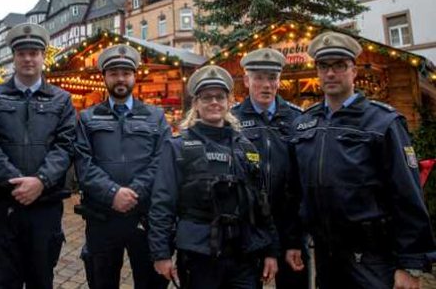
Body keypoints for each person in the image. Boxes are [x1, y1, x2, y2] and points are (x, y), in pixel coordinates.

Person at [286, 31, 435, 289]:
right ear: (318, 72)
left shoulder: (383, 122)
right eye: (324, 66)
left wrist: (410, 263)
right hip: (325, 254)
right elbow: (295, 192)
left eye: (339, 66)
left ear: (353, 71)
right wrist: (292, 240)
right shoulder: (304, 125)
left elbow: (407, 194)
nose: (331, 73)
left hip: (373, 257)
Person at [149, 65, 278, 288]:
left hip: (244, 254)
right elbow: (162, 203)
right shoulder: (178, 147)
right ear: (196, 104)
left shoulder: (246, 147)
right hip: (199, 255)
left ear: (229, 102)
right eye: (207, 97)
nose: (214, 102)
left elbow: (261, 203)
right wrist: (161, 253)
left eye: (220, 96)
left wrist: (271, 250)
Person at [0, 22, 76, 288]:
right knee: (3, 280)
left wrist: (40, 181)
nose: (28, 58)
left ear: (43, 57)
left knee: (41, 279)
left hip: (45, 207)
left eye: (34, 53)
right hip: (3, 206)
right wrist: (16, 181)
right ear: (14, 57)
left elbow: (66, 145)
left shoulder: (61, 99)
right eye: (22, 53)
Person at [74, 44, 170, 289]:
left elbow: (162, 161)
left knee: (149, 282)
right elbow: (83, 163)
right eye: (114, 73)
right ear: (104, 77)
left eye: (126, 73)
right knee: (102, 281)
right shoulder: (88, 118)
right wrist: (112, 193)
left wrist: (134, 192)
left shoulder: (155, 116)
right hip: (103, 217)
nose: (120, 79)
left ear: (134, 76)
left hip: (144, 217)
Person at [232, 48, 308, 288]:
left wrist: (297, 235)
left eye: (272, 78)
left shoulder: (298, 119)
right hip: (248, 226)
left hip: (290, 226)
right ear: (246, 80)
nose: (266, 85)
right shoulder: (231, 120)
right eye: (259, 78)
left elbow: (302, 179)